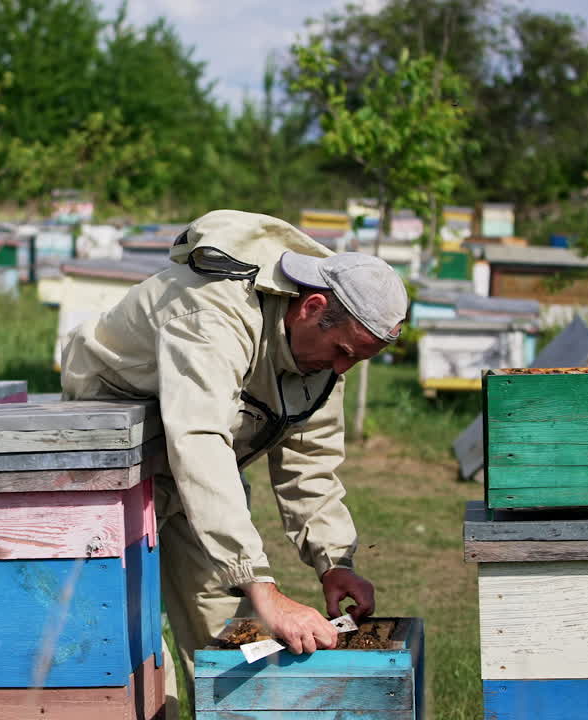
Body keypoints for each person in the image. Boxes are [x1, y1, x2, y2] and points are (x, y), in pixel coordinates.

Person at [59, 209, 409, 703]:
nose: (342, 367)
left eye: (356, 358)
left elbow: (311, 462)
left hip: (198, 474)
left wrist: (334, 561)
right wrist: (262, 586)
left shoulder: (323, 357)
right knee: (128, 637)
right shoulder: (214, 311)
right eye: (342, 350)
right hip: (111, 460)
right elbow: (198, 437)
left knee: (224, 631)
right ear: (310, 307)